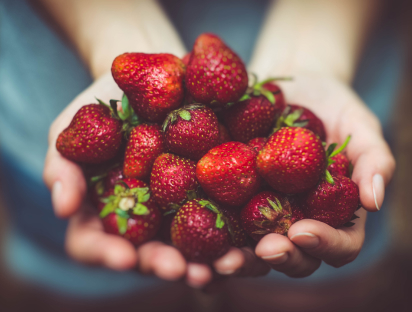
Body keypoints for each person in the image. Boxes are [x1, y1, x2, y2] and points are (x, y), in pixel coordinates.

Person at [0, 0, 397, 299]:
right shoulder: (195, 147)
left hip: (344, 49)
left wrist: (314, 58)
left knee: (306, 296)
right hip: (48, 87)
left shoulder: (262, 151)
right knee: (98, 295)